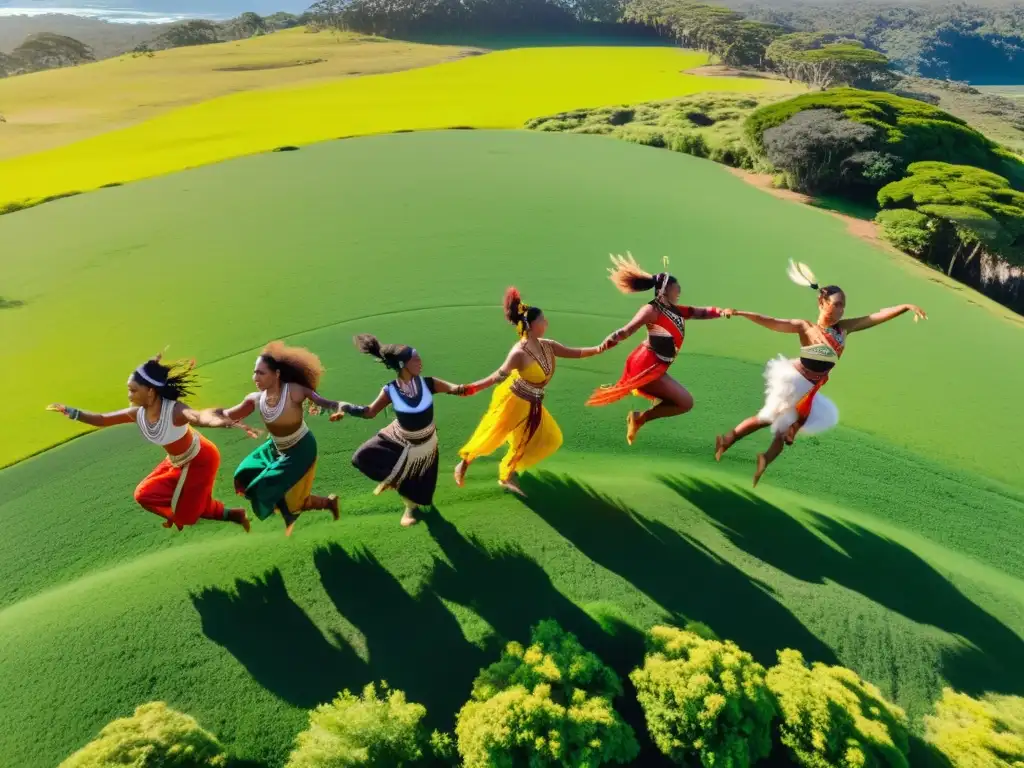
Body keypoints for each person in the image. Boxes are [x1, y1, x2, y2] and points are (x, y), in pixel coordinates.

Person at [715, 260, 927, 486]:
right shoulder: (806, 328)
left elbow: (874, 317)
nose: (841, 309)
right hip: (794, 381)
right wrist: (739, 312)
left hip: (811, 388)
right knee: (767, 418)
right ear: (822, 303)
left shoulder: (844, 329)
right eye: (837, 304)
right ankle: (728, 440)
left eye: (843, 305)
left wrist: (905, 306)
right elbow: (772, 322)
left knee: (784, 432)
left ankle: (763, 460)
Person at [47, 355, 255, 531]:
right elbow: (102, 420)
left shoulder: (173, 410)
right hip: (176, 460)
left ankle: (224, 514)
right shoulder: (137, 413)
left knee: (187, 515)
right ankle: (227, 514)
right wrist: (72, 412)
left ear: (150, 391)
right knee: (144, 494)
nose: (129, 395)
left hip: (199, 459)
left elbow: (198, 416)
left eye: (133, 390)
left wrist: (218, 419)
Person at [454, 287, 608, 497]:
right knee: (492, 434)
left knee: (549, 438)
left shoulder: (548, 345)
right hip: (514, 401)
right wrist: (471, 388)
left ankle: (507, 471)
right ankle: (466, 463)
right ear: (531, 325)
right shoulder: (519, 353)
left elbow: (575, 353)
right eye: (542, 320)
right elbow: (497, 376)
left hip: (533, 402)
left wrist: (600, 348)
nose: (546, 323)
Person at [587, 253, 734, 445]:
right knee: (685, 402)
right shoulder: (651, 310)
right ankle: (639, 418)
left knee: (684, 403)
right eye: (676, 287)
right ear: (665, 290)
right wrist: (603, 346)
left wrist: (721, 312)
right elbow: (626, 331)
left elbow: (700, 312)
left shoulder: (675, 310)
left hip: (659, 366)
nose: (679, 290)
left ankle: (640, 418)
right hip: (646, 365)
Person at [333, 335, 479, 527]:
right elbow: (369, 412)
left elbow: (457, 389)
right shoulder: (390, 390)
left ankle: (410, 505)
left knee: (422, 488)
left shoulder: (429, 383)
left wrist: (489, 380)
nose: (420, 362)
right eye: (415, 359)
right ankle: (400, 488)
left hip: (425, 443)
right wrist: (346, 408)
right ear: (403, 364)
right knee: (361, 458)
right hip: (398, 437)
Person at [213, 341, 341, 537]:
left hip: (301, 448)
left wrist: (339, 410)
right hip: (276, 447)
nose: (255, 377)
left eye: (261, 373)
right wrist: (197, 417)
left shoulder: (294, 391)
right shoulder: (255, 398)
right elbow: (229, 414)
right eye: (254, 372)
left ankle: (321, 505)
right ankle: (308, 507)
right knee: (245, 474)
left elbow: (324, 403)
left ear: (277, 374)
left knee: (279, 493)